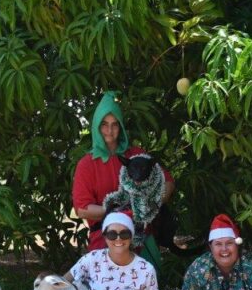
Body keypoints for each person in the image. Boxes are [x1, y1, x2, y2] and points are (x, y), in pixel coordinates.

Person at [71, 91, 175, 261]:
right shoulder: (87, 164)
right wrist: (121, 213)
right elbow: (82, 209)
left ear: (121, 127)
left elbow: (168, 182)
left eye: (115, 124)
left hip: (141, 238)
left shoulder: (136, 154)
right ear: (97, 126)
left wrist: (150, 204)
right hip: (105, 239)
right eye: (104, 124)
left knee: (147, 283)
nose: (109, 131)